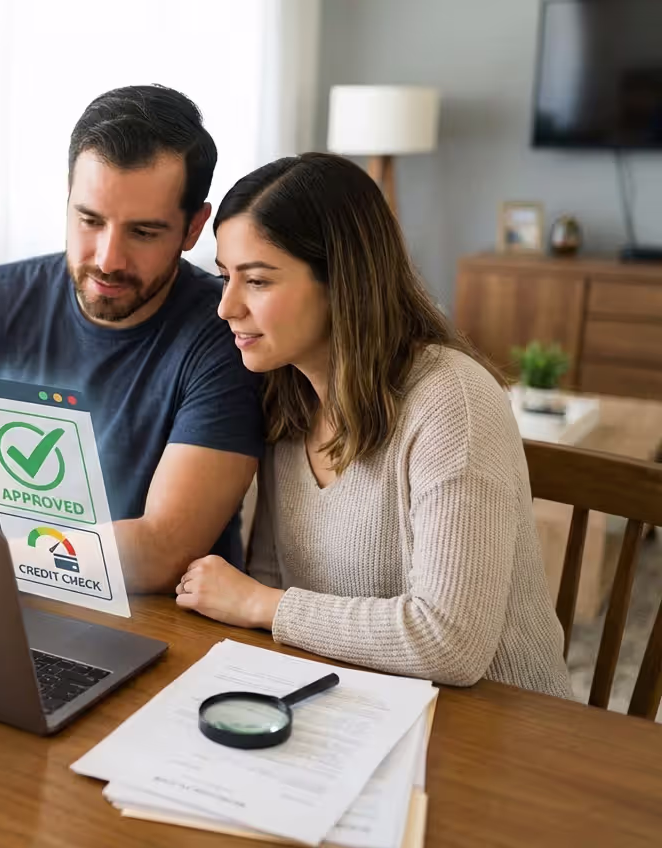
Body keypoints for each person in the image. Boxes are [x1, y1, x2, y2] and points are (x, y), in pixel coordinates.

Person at [176, 152, 573, 698]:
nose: (226, 307)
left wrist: (258, 604)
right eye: (225, 277)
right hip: (358, 706)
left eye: (258, 281)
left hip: (499, 731)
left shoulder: (453, 401)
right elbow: (269, 574)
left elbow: (450, 643)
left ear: (342, 281)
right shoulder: (287, 397)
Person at [0, 85, 264, 593]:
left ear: (194, 227)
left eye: (144, 232)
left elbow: (162, 550)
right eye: (89, 220)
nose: (109, 259)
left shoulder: (226, 334)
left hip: (155, 626)